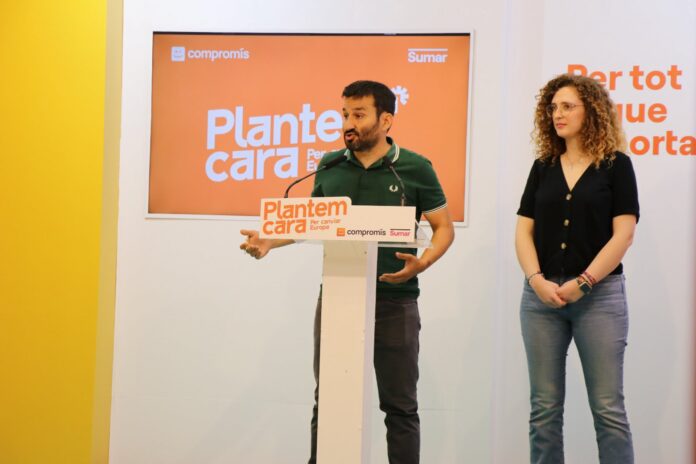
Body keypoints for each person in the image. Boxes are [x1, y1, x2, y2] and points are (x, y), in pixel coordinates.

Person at [240, 80, 454, 464]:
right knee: (329, 399)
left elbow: (444, 229)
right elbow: (311, 223)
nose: (348, 124)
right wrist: (270, 239)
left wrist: (422, 262)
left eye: (359, 114)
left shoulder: (415, 168)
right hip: (339, 298)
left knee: (400, 406)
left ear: (385, 120)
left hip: (395, 301)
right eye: (344, 115)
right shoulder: (330, 165)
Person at [515, 73, 639, 463]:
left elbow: (624, 234)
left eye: (568, 106)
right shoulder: (543, 166)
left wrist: (584, 282)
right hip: (540, 298)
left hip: (599, 298)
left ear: (592, 111)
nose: (558, 114)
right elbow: (523, 231)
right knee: (544, 409)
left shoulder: (616, 165)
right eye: (553, 107)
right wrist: (535, 280)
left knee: (608, 409)